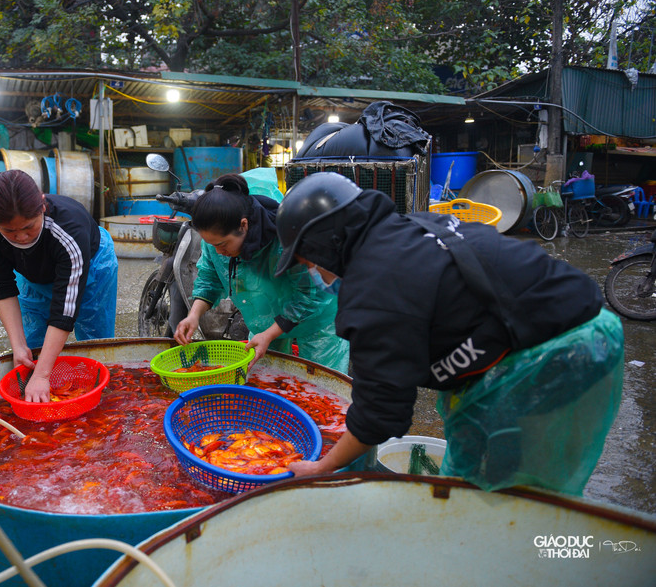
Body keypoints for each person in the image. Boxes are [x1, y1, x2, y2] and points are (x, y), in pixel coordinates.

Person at [274, 172, 624, 495]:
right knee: (491, 483)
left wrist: (324, 465)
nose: (313, 273)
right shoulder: (406, 230)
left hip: (557, 355)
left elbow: (380, 413)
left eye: (309, 262)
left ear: (327, 244)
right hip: (585, 325)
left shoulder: (375, 287)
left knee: (507, 498)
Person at [174, 173, 349, 374]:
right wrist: (193, 315)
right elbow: (209, 278)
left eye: (222, 244)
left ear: (243, 225)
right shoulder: (216, 242)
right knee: (264, 380)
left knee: (322, 385)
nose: (218, 251)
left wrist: (269, 333)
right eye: (212, 245)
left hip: (316, 319)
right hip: (265, 317)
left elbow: (311, 295)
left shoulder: (287, 240)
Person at [0, 169, 118, 403]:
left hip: (92, 266)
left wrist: (43, 374)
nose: (21, 237)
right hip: (32, 274)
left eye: (28, 227)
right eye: (9, 231)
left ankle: (97, 395)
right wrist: (18, 346)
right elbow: (1, 289)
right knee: (32, 346)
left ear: (42, 206)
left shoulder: (69, 230)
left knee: (94, 341)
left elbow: (65, 311)